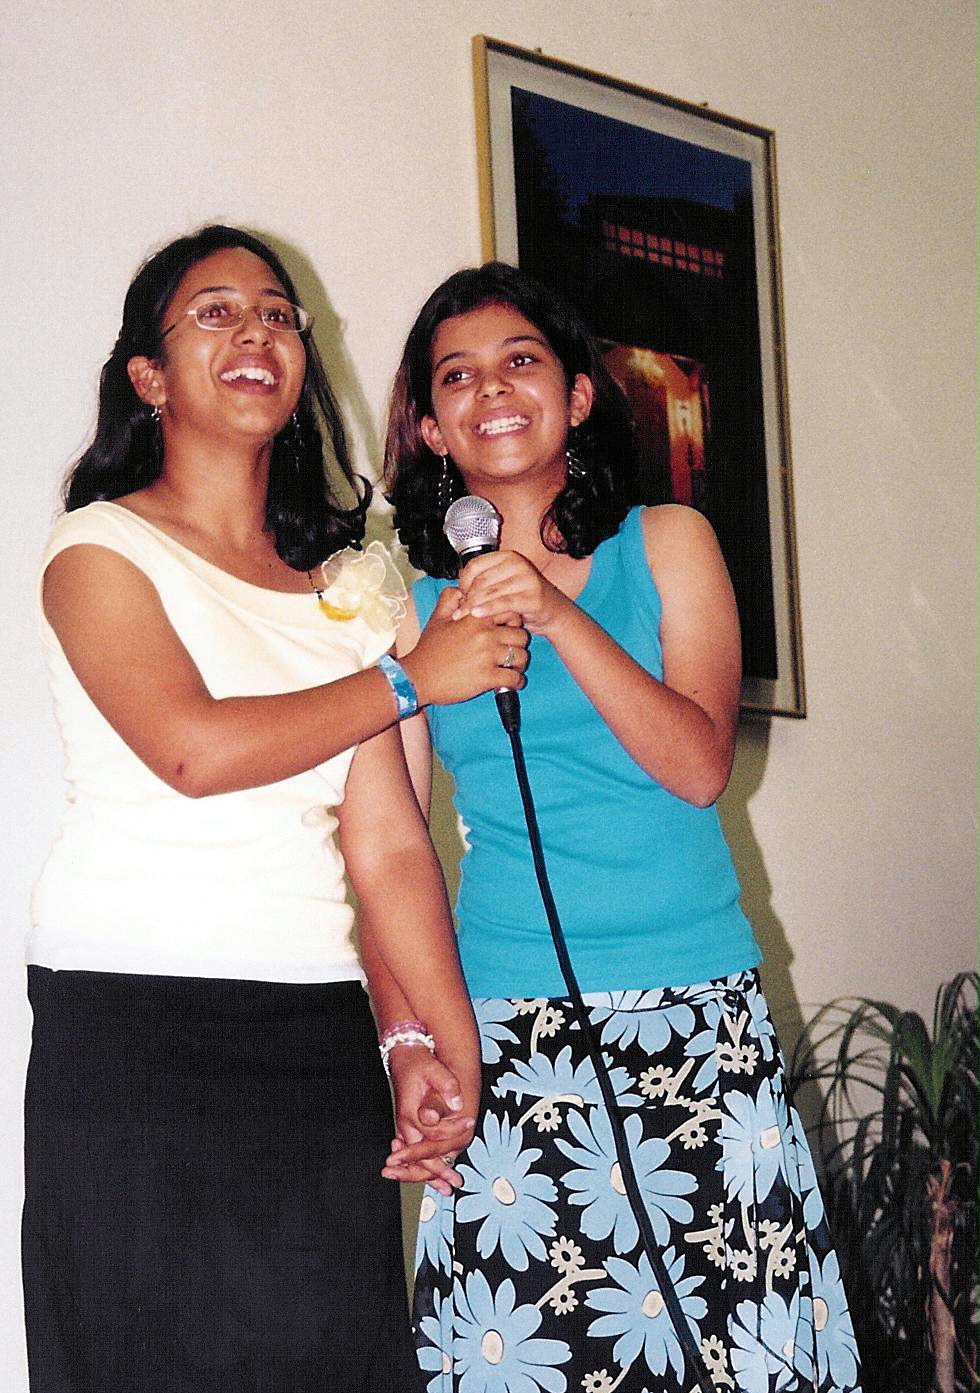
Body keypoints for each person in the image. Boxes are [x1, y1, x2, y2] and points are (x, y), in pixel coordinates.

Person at [25, 226, 529, 1393]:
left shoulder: (342, 587)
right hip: (128, 1021)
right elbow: (191, 751)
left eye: (278, 314)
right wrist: (409, 676)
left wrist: (430, 1039)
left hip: (309, 1030)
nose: (256, 332)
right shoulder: (98, 549)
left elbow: (387, 842)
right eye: (214, 313)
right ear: (147, 377)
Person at [383, 262, 863, 1393]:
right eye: (455, 375)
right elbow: (390, 853)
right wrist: (406, 1042)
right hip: (505, 1029)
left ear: (579, 396)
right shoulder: (402, 608)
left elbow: (697, 764)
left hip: (693, 1014)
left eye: (519, 362)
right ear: (429, 424)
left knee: (732, 1351)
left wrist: (551, 608)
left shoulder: (669, 544)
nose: (489, 390)